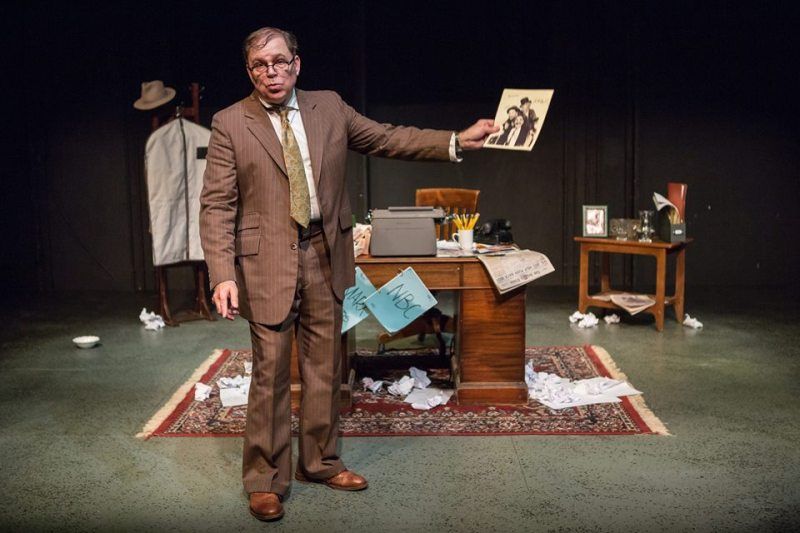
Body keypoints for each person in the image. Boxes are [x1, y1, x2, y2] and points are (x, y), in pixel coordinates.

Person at [199, 26, 498, 522]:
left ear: (297, 63)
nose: (270, 72)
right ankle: (265, 479)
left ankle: (319, 462)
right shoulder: (231, 123)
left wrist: (456, 141)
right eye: (259, 65)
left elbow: (388, 138)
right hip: (265, 263)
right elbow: (216, 205)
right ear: (249, 71)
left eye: (278, 61)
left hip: (325, 252)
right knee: (270, 373)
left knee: (324, 368)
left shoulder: (330, 108)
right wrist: (221, 273)